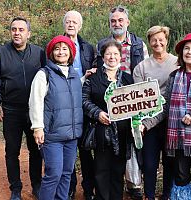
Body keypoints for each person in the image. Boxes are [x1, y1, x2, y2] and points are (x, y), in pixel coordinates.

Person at [142, 33, 191, 199]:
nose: (190, 52)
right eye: (186, 48)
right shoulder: (174, 76)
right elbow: (166, 107)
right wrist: (146, 124)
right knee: (181, 178)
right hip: (178, 137)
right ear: (181, 53)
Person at [0, 16, 44, 200]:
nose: (17, 33)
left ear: (29, 33)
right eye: (14, 29)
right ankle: (16, 189)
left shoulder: (39, 53)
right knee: (12, 151)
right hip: (11, 110)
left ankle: (37, 186)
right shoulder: (0, 54)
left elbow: (48, 78)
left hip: (34, 110)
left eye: (21, 30)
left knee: (36, 150)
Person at [96, 5, 149, 199]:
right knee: (112, 144)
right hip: (108, 100)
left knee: (131, 143)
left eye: (120, 20)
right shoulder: (102, 44)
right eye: (113, 21)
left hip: (132, 96)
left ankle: (133, 184)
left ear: (127, 22)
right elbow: (97, 67)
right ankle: (106, 187)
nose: (117, 23)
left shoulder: (138, 44)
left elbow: (143, 69)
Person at [29, 35, 83, 200]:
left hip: (72, 135)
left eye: (65, 48)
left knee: (66, 173)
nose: (61, 52)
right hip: (52, 135)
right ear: (51, 53)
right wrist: (37, 127)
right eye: (57, 49)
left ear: (71, 53)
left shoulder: (74, 76)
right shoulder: (43, 74)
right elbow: (35, 101)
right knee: (53, 174)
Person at [82, 40, 134, 200]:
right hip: (101, 132)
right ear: (103, 57)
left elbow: (135, 105)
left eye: (115, 54)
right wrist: (97, 113)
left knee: (118, 171)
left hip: (123, 132)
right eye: (108, 54)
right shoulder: (93, 78)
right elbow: (84, 100)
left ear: (121, 57)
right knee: (101, 171)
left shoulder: (128, 79)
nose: (112, 57)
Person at [132, 25, 178, 200]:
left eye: (161, 39)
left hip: (171, 120)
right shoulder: (142, 67)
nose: (158, 43)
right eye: (154, 40)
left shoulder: (177, 62)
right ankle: (149, 195)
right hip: (149, 122)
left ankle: (167, 195)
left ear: (166, 40)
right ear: (149, 42)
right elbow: (138, 97)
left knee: (169, 162)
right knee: (150, 164)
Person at [62, 10, 97, 200]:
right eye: (68, 21)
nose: (71, 24)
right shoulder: (56, 46)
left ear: (80, 26)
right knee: (68, 149)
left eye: (75, 22)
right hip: (63, 104)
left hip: (82, 104)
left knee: (85, 149)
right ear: (64, 25)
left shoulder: (87, 47)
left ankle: (88, 188)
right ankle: (69, 188)